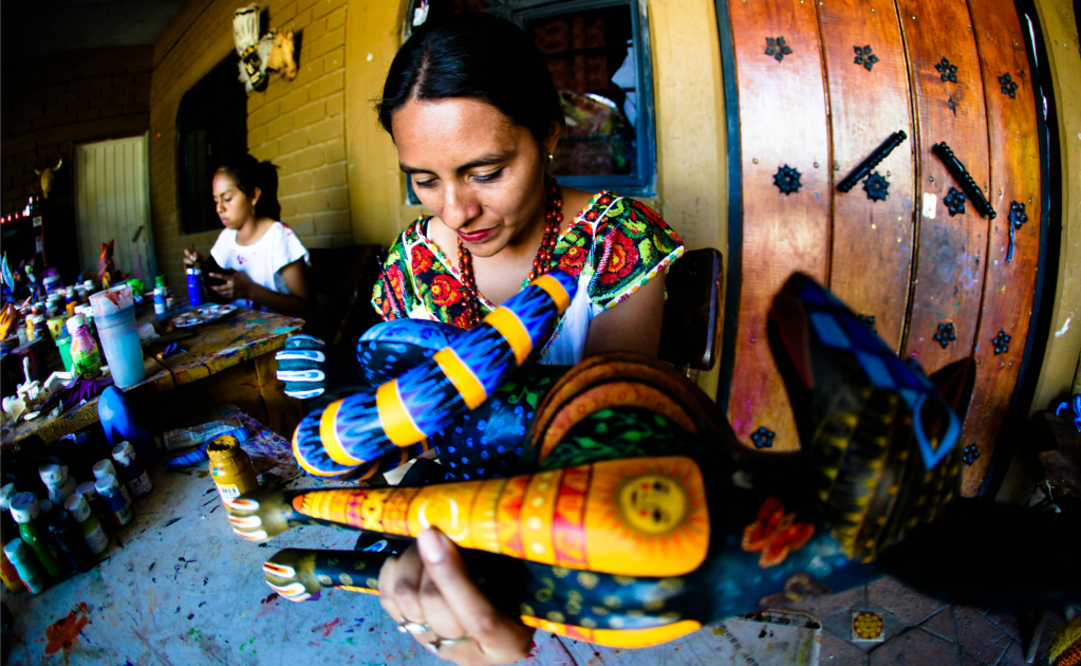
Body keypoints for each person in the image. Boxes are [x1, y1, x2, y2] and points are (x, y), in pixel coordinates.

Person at [368, 12, 684, 665]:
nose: (455, 212)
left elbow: (602, 432)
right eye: (424, 180)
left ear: (546, 135)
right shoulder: (411, 263)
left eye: (484, 171)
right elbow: (404, 434)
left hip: (588, 521)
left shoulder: (614, 238)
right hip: (458, 520)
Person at [183, 155, 312, 318]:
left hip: (282, 337)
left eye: (227, 199)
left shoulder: (279, 237)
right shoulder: (226, 238)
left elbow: (307, 308)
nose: (219, 208)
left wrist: (251, 291)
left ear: (253, 196)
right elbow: (213, 295)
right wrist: (197, 272)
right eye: (216, 200)